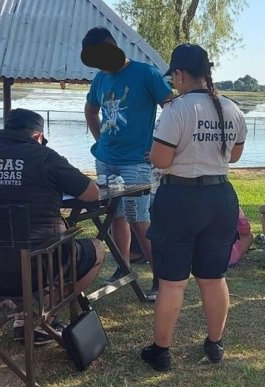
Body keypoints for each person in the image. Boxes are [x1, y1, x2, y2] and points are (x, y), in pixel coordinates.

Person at [0, 108, 105, 344]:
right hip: (31, 270)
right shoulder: (44, 156)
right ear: (38, 136)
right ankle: (37, 316)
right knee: (97, 248)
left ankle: (23, 315)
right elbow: (92, 193)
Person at [141, 44, 247, 371]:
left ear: (181, 73)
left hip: (180, 199)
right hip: (220, 198)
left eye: (174, 76)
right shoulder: (233, 108)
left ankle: (162, 351)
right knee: (213, 277)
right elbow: (234, 156)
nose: (174, 83)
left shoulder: (177, 109)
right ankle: (214, 344)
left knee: (173, 281)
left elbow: (161, 159)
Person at [81, 26, 172, 298]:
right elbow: (90, 110)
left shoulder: (146, 73)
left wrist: (160, 145)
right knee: (115, 215)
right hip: (106, 160)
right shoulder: (100, 79)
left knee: (139, 217)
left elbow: (172, 108)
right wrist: (101, 140)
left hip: (136, 161)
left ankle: (160, 277)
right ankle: (123, 265)